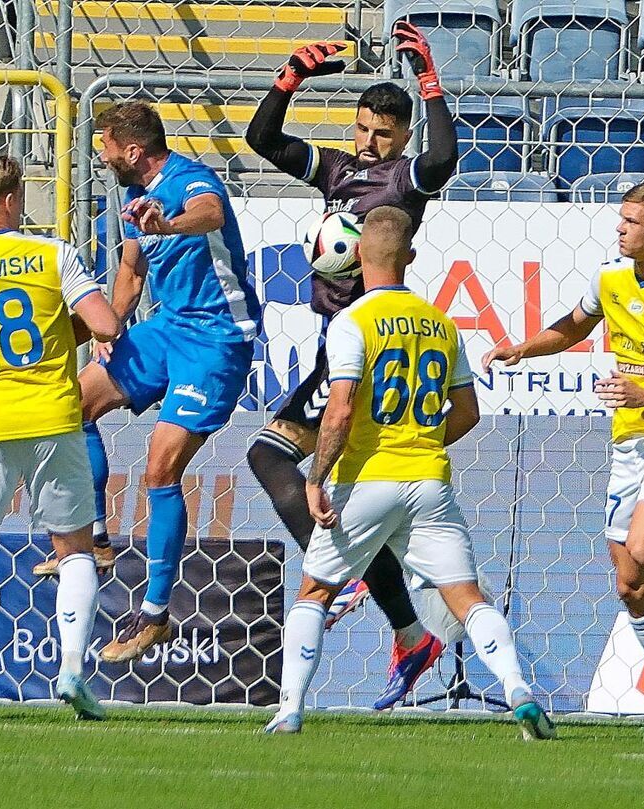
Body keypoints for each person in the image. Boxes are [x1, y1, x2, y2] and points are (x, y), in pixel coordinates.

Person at [264, 207, 555, 740]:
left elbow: (342, 407)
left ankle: (289, 710)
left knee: (314, 592)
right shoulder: (441, 323)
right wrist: (421, 442)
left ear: (353, 258)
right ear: (412, 258)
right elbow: (467, 412)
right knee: (466, 598)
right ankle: (518, 689)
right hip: (429, 482)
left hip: (367, 480)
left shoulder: (352, 321)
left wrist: (314, 478)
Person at [244, 24, 458, 709]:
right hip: (332, 342)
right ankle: (411, 634)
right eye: (363, 128)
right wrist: (288, 77)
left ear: (400, 138)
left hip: (364, 345)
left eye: (382, 133)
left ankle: (351, 573)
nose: (368, 141)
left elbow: (445, 156)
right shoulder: (338, 169)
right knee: (310, 477)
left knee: (269, 458)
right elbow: (264, 142)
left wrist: (430, 83)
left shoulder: (406, 181)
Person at [483, 182, 644, 733]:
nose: (620, 229)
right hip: (628, 441)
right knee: (629, 581)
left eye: (630, 221)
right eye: (620, 220)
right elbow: (577, 325)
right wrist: (522, 347)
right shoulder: (609, 277)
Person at [0, 154, 121, 722]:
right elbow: (106, 324)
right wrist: (65, 329)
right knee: (75, 548)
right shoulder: (52, 253)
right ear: (13, 200)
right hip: (54, 418)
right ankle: (71, 673)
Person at [67, 101, 261, 663]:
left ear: (132, 151)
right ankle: (98, 539)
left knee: (159, 466)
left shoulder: (191, 180)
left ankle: (154, 613)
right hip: (166, 328)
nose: (100, 157)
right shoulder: (129, 196)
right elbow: (130, 272)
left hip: (216, 338)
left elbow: (210, 215)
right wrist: (111, 326)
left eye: (104, 146)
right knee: (72, 402)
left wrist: (169, 223)